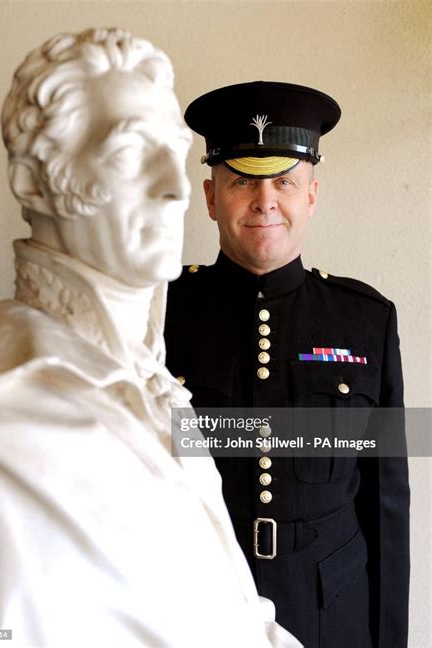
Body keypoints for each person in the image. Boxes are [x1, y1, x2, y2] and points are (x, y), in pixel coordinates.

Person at [0, 34, 301, 647]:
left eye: (174, 152)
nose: (175, 189)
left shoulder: (162, 393)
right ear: (35, 185)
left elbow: (236, 614)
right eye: (129, 153)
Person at [165, 81, 410, 648]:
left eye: (285, 181)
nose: (265, 200)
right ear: (209, 196)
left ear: (312, 195)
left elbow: (386, 504)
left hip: (330, 613)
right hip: (193, 611)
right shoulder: (159, 316)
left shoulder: (366, 321)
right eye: (243, 180)